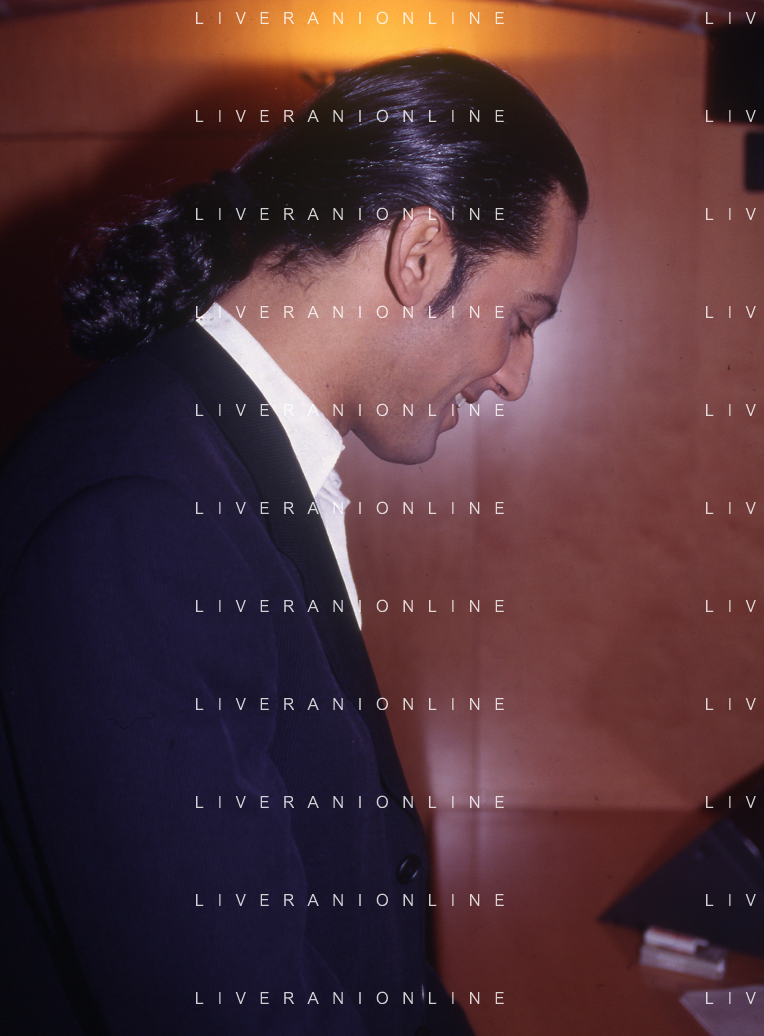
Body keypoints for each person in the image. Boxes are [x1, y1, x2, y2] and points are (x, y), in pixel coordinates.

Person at [0, 52, 587, 1035]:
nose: (514, 377)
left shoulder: (214, 453)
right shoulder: (143, 519)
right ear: (419, 255)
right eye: (520, 320)